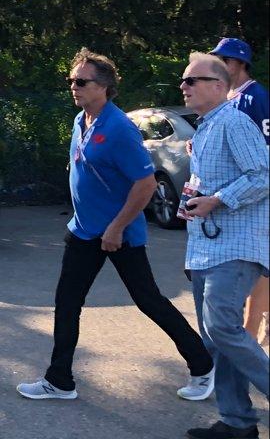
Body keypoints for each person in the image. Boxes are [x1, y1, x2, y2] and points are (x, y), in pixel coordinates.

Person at [17, 48, 214, 401]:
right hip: (83, 231)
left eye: (81, 81)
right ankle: (59, 380)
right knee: (67, 303)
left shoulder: (120, 128)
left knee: (149, 301)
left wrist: (117, 228)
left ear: (104, 86)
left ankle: (203, 365)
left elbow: (146, 185)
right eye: (70, 80)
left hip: (117, 234)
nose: (73, 87)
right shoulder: (82, 120)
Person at [180, 52, 269, 439]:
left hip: (236, 246)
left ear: (219, 86)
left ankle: (238, 418)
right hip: (206, 246)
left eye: (191, 81)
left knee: (221, 327)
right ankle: (237, 423)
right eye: (183, 81)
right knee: (219, 333)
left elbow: (264, 173)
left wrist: (218, 200)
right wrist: (196, 200)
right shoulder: (206, 127)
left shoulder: (233, 120)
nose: (183, 86)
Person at [210, 37, 269, 347]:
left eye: (225, 60)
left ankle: (249, 333)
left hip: (257, 194)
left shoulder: (255, 98)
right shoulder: (227, 98)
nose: (220, 65)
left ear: (240, 64)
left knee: (256, 263)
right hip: (235, 194)